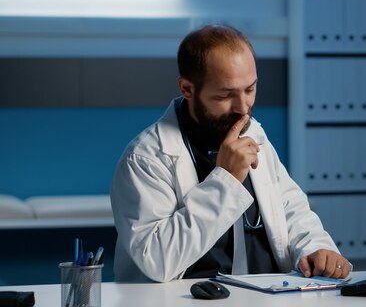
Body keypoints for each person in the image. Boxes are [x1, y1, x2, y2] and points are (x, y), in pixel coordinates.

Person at [110, 24, 351, 283]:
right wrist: (226, 179)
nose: (243, 107)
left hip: (261, 295)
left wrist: (316, 248)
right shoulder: (146, 157)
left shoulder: (254, 134)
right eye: (226, 95)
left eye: (250, 89)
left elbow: (290, 210)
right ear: (187, 89)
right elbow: (157, 261)